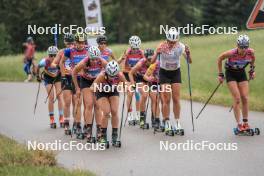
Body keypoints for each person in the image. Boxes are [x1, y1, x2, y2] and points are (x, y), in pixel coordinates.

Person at [151, 28, 192, 135]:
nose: (172, 44)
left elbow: (189, 61)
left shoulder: (181, 46)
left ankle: (177, 122)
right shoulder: (161, 46)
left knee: (176, 98)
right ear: (167, 40)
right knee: (166, 99)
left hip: (175, 73)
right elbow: (151, 61)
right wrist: (157, 53)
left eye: (174, 42)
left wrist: (188, 53)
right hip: (164, 73)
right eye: (170, 42)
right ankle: (167, 121)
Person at [217, 34, 255, 132]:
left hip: (241, 73)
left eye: (245, 47)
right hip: (231, 73)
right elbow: (220, 58)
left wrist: (252, 70)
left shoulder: (250, 52)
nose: (243, 49)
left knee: (245, 98)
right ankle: (239, 125)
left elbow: (252, 60)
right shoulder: (231, 53)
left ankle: (245, 123)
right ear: (237, 45)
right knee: (237, 98)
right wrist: (220, 74)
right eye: (241, 47)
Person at [72, 46, 107, 140]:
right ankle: (89, 130)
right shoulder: (84, 62)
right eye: (92, 59)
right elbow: (74, 72)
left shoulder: (103, 62)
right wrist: (77, 88)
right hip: (86, 81)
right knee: (89, 104)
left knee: (97, 105)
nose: (94, 61)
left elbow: (110, 73)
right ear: (89, 57)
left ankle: (99, 129)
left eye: (96, 59)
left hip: (97, 81)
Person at [90, 60, 127, 145]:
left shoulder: (120, 75)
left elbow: (126, 84)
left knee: (114, 111)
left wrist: (128, 88)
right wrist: (96, 88)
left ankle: (115, 135)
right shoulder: (101, 76)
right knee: (106, 112)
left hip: (113, 91)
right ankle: (103, 136)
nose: (112, 77)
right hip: (102, 92)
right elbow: (91, 87)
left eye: (114, 75)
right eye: (110, 75)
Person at [60, 32, 89, 135]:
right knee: (71, 101)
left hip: (85, 78)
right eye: (78, 42)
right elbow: (61, 62)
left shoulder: (88, 49)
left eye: (82, 42)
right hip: (73, 78)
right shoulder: (69, 51)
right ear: (75, 42)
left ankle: (85, 125)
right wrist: (63, 76)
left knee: (82, 103)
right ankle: (69, 123)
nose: (81, 44)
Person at [51, 33, 75, 130]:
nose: (70, 45)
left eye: (71, 43)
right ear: (65, 42)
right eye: (68, 43)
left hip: (76, 78)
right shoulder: (61, 52)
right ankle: (66, 123)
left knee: (76, 101)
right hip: (66, 77)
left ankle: (76, 123)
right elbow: (53, 63)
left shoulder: (76, 51)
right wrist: (58, 67)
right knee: (67, 102)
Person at [36, 46, 63, 128]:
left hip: (57, 77)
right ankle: (52, 119)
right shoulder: (44, 61)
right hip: (48, 78)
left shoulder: (60, 60)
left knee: (59, 96)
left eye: (55, 55)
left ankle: (61, 118)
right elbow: (38, 67)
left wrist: (58, 73)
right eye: (51, 55)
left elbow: (63, 68)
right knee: (51, 97)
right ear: (48, 55)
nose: (53, 57)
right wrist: (38, 76)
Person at [120, 35, 144, 125]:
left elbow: (144, 64)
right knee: (130, 93)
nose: (135, 50)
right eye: (133, 48)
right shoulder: (127, 52)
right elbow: (123, 65)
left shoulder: (141, 52)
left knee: (137, 93)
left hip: (137, 75)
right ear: (130, 46)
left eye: (137, 48)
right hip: (127, 74)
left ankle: (138, 114)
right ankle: (130, 114)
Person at [129, 49, 154, 129]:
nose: (150, 60)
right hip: (139, 79)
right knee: (145, 95)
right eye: (148, 59)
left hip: (149, 79)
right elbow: (130, 73)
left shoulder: (155, 62)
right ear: (145, 57)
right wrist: (133, 84)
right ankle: (142, 118)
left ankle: (154, 119)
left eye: (151, 58)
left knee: (154, 98)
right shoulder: (140, 63)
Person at [143, 60, 161, 131]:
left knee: (163, 101)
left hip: (163, 83)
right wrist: (149, 79)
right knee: (155, 101)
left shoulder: (169, 64)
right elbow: (145, 76)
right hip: (154, 83)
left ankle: (162, 119)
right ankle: (157, 120)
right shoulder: (154, 65)